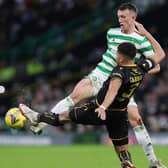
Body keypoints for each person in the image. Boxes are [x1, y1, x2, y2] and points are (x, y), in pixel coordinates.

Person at [28, 3, 166, 168]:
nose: (120, 20)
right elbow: (111, 56)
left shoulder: (141, 40)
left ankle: (153, 161)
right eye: (118, 17)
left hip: (121, 82)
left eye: (123, 17)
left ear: (133, 18)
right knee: (75, 95)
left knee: (136, 119)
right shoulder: (111, 33)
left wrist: (134, 73)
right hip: (100, 75)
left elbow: (157, 65)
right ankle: (40, 124)